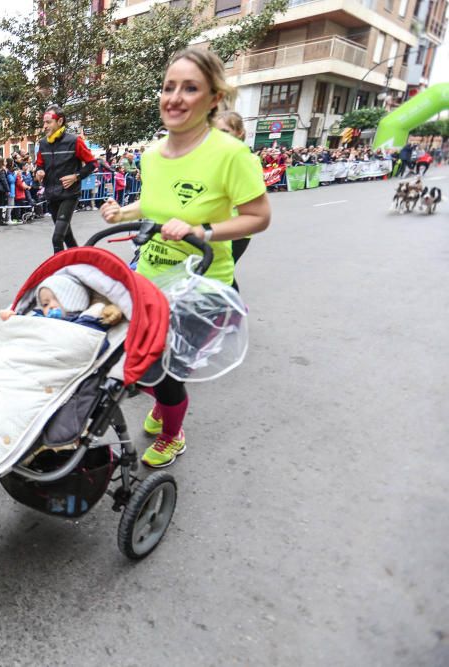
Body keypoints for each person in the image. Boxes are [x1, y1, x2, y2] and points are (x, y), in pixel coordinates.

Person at [100, 48, 270, 468]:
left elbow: (259, 216)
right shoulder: (153, 154)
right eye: (168, 87)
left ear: (213, 98)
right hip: (153, 277)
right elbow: (156, 203)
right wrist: (123, 211)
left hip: (202, 283)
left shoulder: (231, 154)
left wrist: (203, 231)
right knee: (140, 364)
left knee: (167, 372)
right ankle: (163, 408)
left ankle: (173, 435)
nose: (174, 98)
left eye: (189, 88)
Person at [36, 104, 97, 253]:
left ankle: (60, 272)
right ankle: (80, 262)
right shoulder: (43, 144)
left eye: (48, 122)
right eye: (44, 122)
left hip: (69, 195)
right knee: (66, 236)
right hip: (51, 194)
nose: (44, 126)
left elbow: (92, 164)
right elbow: (39, 166)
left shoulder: (74, 141)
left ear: (60, 121)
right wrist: (39, 172)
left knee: (57, 238)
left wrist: (76, 177)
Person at [214, 110, 261, 291]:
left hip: (236, 229)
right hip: (215, 227)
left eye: (225, 132)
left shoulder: (247, 160)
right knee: (212, 272)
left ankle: (234, 311)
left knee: (222, 273)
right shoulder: (215, 159)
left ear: (240, 133)